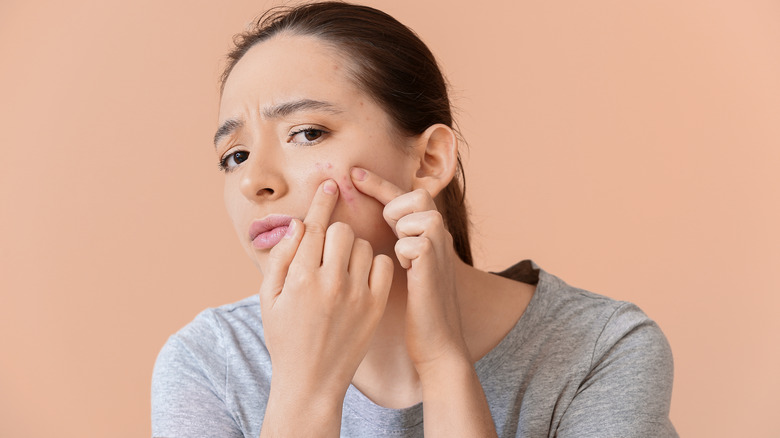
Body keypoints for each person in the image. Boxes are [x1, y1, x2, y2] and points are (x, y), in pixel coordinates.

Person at [151, 2, 677, 437]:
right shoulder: (209, 363)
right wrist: (306, 390)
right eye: (234, 156)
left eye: (307, 132)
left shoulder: (601, 350)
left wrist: (444, 365)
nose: (253, 182)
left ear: (429, 161)